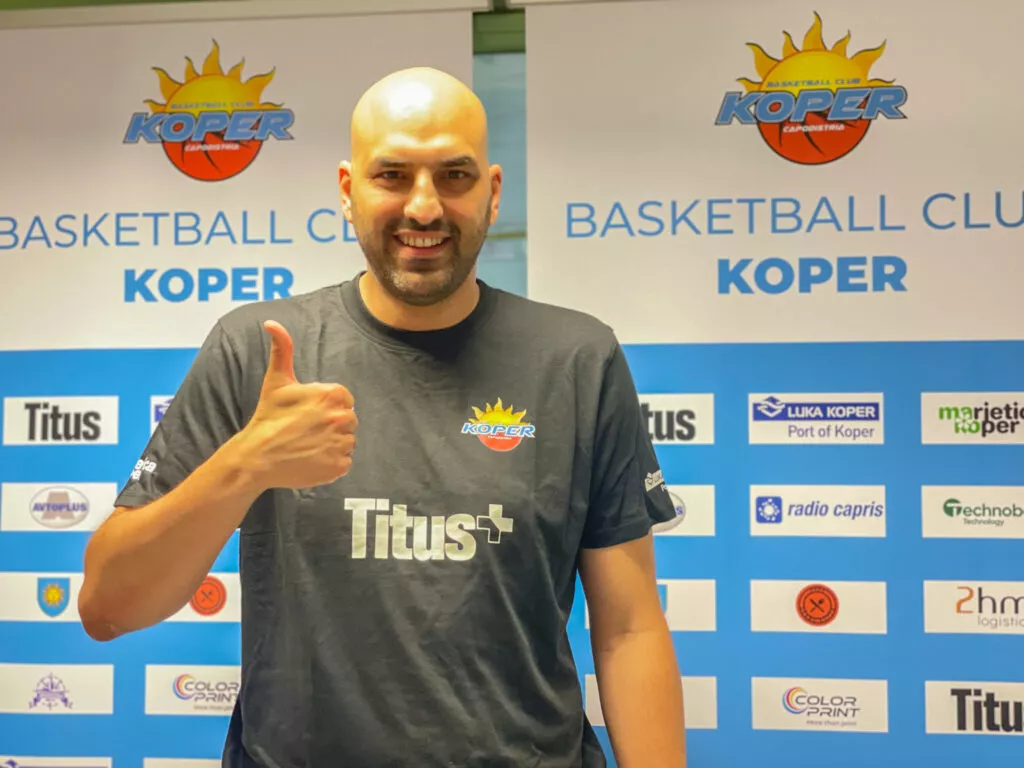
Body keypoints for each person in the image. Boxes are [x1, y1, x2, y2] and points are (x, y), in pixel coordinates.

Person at [78, 66, 687, 768]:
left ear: (492, 192)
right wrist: (244, 467)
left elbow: (629, 627)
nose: (424, 208)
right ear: (348, 190)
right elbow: (109, 607)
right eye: (392, 175)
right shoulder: (259, 350)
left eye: (454, 176)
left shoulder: (577, 359)